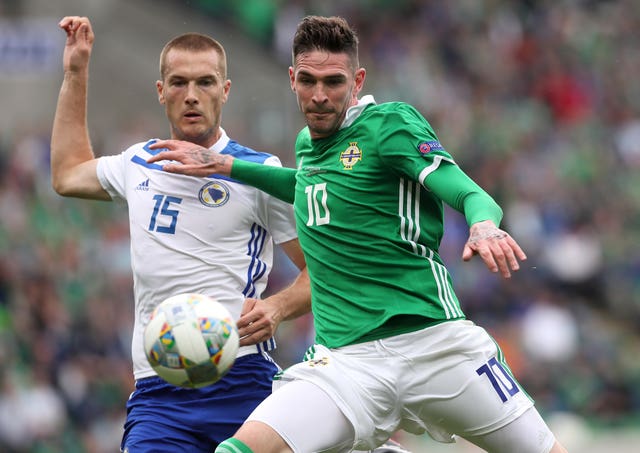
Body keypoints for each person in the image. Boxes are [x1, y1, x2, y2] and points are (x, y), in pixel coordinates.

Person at [148, 15, 569, 453]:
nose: (320, 95)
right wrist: (228, 166)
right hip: (345, 363)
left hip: (436, 346)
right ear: (292, 78)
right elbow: (312, 186)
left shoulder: (390, 126)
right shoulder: (307, 146)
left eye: (334, 81)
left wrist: (483, 224)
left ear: (357, 80)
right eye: (308, 80)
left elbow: (467, 191)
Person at [50, 16, 312, 452]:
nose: (191, 96)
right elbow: (67, 174)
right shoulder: (139, 162)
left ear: (225, 91)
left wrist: (277, 308)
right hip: (159, 393)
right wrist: (76, 71)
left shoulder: (259, 173)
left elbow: (320, 271)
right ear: (160, 91)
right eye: (178, 83)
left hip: (242, 384)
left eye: (206, 82)